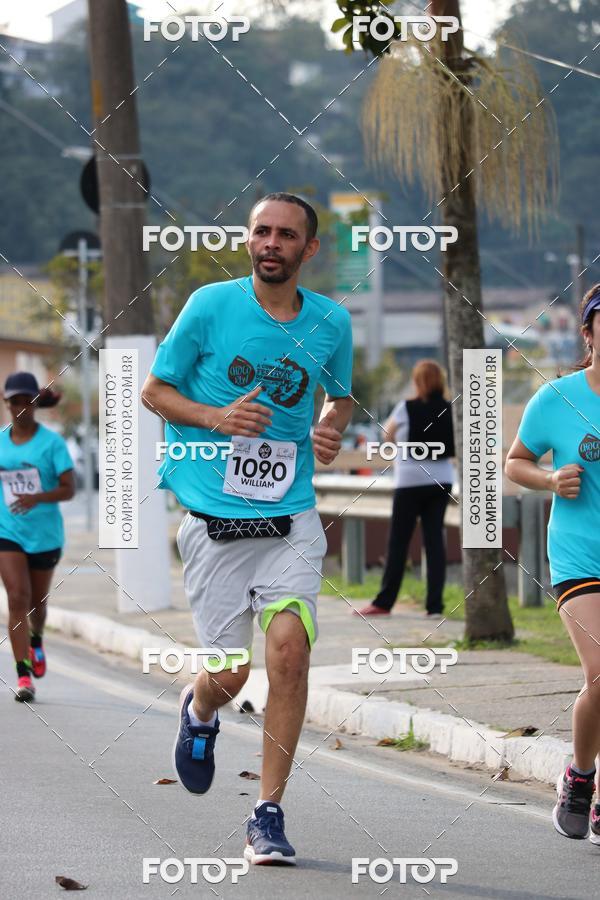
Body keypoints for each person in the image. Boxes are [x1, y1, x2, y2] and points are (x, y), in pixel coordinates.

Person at [141, 192, 353, 865]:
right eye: (261, 231)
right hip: (213, 523)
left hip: (289, 516)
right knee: (229, 673)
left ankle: (267, 814)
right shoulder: (210, 305)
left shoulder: (330, 322)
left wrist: (331, 427)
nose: (270, 243)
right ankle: (200, 709)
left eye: (285, 235)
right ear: (248, 240)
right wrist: (215, 417)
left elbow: (340, 395)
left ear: (308, 250)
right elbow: (155, 391)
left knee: (289, 654)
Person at [506, 283, 600, 844]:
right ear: (587, 333)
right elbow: (515, 461)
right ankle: (581, 776)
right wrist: (549, 479)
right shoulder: (557, 398)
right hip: (579, 553)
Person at [355, 359, 455, 617]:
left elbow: (386, 436)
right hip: (441, 480)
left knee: (399, 542)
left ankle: (383, 603)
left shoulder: (404, 408)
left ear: (418, 382)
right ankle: (434, 607)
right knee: (434, 542)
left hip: (409, 480)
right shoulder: (449, 409)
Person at [0, 372, 75, 702]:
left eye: (25, 401)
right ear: (6, 405)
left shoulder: (52, 444)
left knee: (36, 605)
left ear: (34, 403)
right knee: (17, 597)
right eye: (13, 401)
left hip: (44, 536)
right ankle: (23, 675)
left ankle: (38, 638)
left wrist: (37, 497)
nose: (19, 407)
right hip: (8, 532)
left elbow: (69, 489)